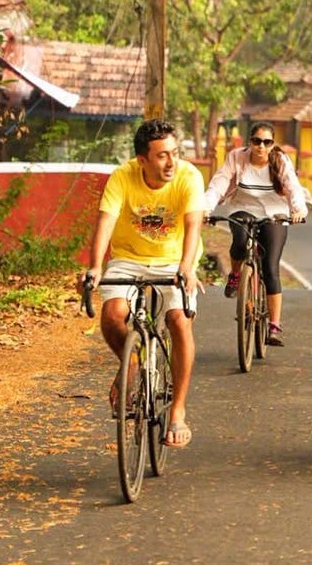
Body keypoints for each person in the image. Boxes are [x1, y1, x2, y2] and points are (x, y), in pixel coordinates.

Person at [82, 118, 204, 449]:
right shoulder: (122, 177)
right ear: (143, 159)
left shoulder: (188, 177)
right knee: (112, 315)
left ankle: (177, 410)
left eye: (175, 153)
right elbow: (105, 221)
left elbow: (193, 224)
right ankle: (132, 361)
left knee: (179, 321)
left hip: (174, 259)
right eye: (162, 155)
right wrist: (95, 267)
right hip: (128, 257)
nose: (171, 162)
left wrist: (187, 266)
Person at [203, 121, 309, 346]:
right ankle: (236, 276)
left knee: (270, 267)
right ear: (249, 141)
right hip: (243, 208)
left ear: (272, 144)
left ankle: (274, 326)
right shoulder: (236, 157)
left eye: (267, 142)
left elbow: (293, 187)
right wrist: (206, 207)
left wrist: (298, 210)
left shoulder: (280, 160)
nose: (261, 146)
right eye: (256, 141)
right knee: (239, 243)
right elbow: (219, 183)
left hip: (275, 212)